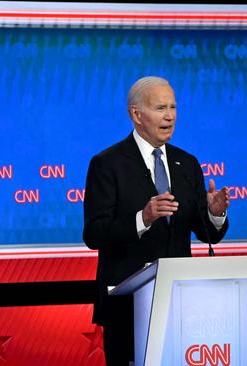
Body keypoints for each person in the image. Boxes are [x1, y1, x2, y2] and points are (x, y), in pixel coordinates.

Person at [82, 76, 229, 365]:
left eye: (173, 107)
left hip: (179, 303)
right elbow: (94, 234)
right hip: (127, 307)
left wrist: (214, 213)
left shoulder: (187, 163)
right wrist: (143, 218)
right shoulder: (107, 164)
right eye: (161, 107)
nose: (170, 116)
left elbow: (206, 234)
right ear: (136, 114)